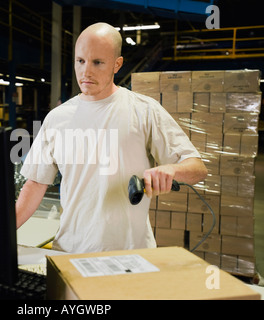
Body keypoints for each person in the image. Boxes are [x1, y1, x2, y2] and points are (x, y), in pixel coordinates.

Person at [16, 22, 207, 253]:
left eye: (97, 62)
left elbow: (197, 168)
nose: (86, 71)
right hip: (70, 251)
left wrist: (172, 171)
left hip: (130, 254)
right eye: (80, 61)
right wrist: (0, 233)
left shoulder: (144, 110)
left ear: (117, 64)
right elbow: (36, 183)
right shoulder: (57, 119)